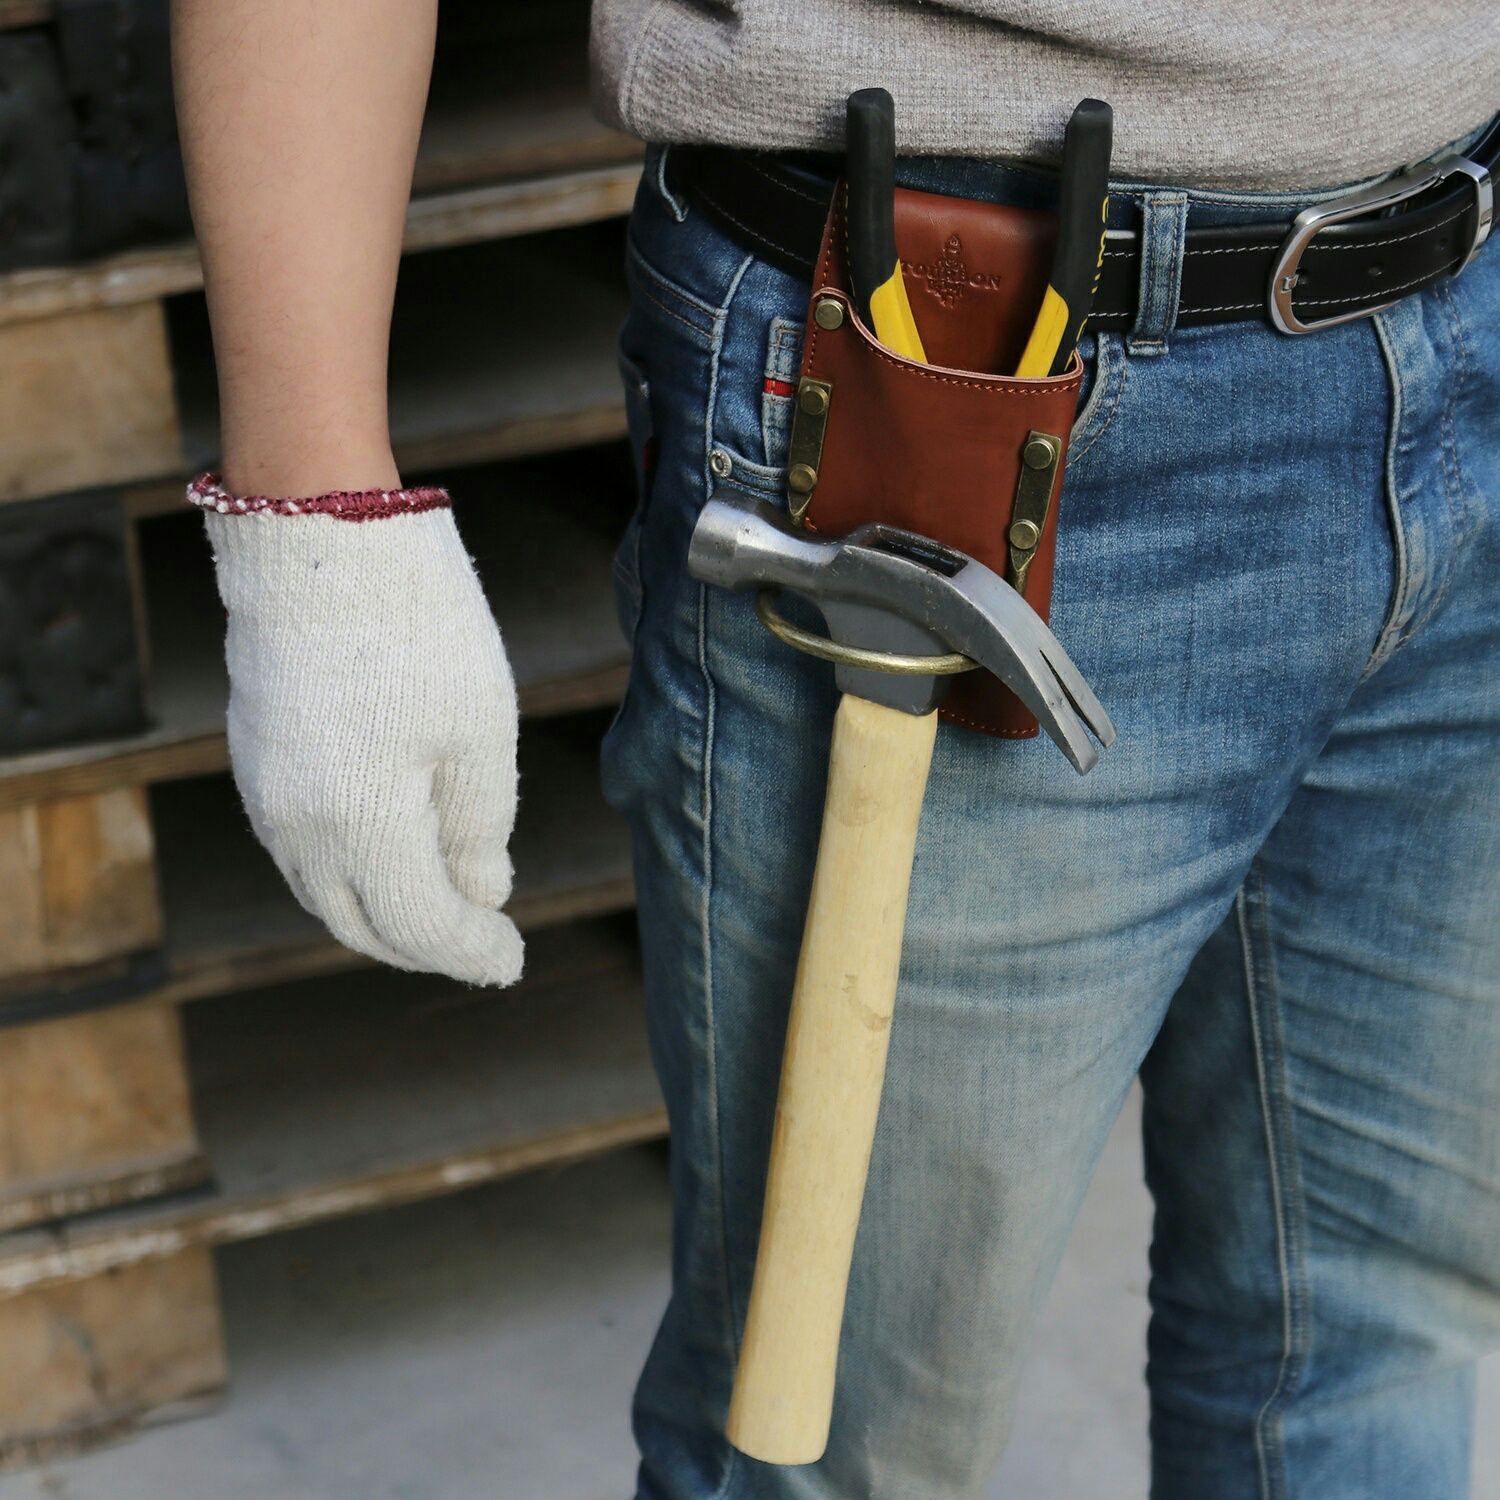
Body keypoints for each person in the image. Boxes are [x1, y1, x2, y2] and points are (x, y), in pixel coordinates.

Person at [171, 3, 1500, 1495]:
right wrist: (313, 519)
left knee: (1376, 1334)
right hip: (941, 371)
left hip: (1468, 275)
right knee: (835, 1440)